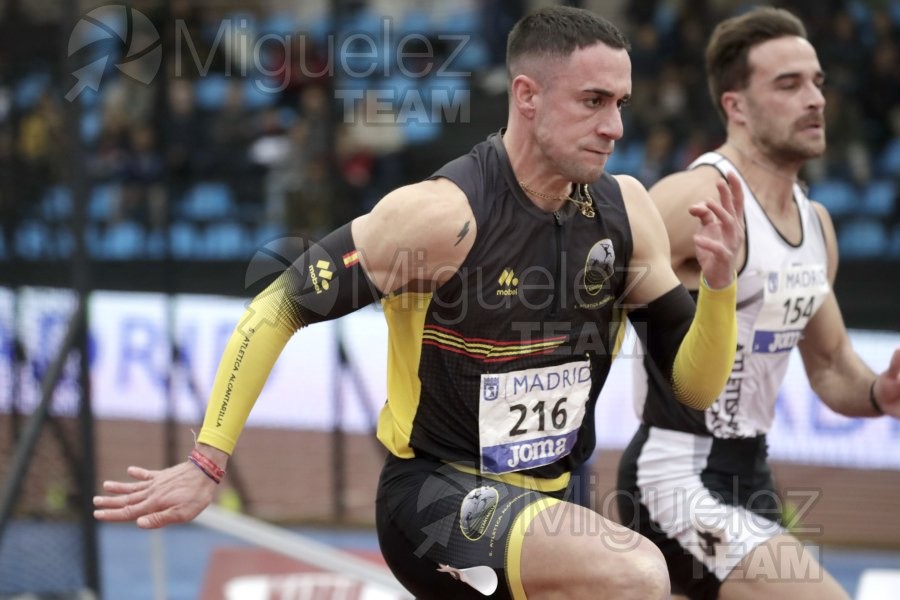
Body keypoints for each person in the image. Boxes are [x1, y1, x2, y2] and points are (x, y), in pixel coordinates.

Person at [94, 7, 746, 599]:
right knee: (634, 574)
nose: (615, 127)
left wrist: (717, 290)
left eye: (621, 103)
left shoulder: (624, 211)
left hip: (560, 496)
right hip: (437, 497)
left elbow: (693, 389)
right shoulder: (442, 218)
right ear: (527, 97)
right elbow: (278, 306)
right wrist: (209, 459)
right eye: (594, 101)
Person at [616, 7, 900, 600]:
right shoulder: (699, 195)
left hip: (752, 473)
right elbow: (590, 276)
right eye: (789, 84)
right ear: (735, 106)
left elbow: (829, 364)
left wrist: (880, 394)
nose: (815, 99)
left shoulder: (816, 224)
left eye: (818, 82)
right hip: (676, 473)